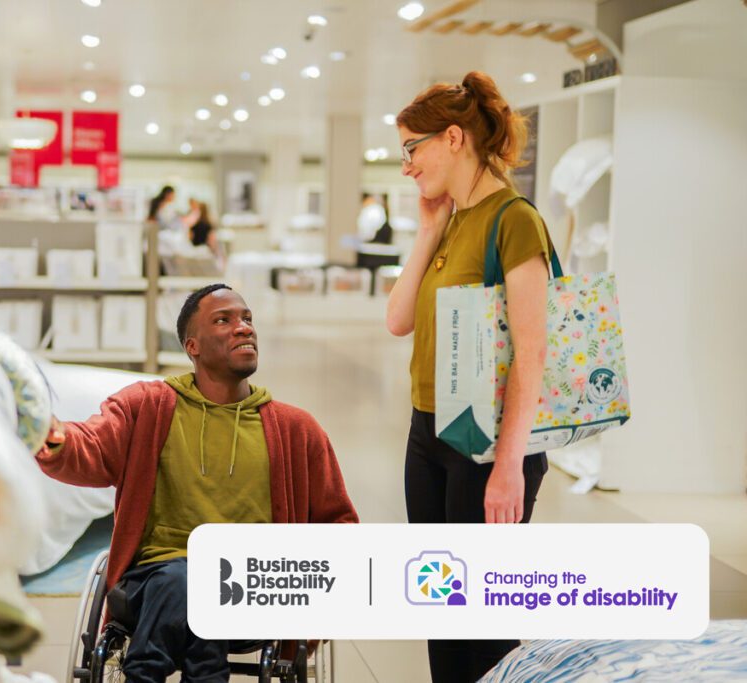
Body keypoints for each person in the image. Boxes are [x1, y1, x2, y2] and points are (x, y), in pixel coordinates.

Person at [35, 284, 358, 682]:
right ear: (192, 347)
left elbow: (338, 526)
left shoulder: (296, 430)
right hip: (153, 580)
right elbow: (92, 444)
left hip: (250, 586)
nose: (243, 328)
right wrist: (55, 437)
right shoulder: (147, 406)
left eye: (247, 319)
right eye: (224, 320)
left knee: (204, 578)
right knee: (185, 578)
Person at [385, 71, 554, 682]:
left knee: (482, 623)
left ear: (452, 138)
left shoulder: (514, 219)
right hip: (428, 433)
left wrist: (509, 465)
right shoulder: (451, 221)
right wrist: (428, 230)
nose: (406, 166)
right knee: (442, 609)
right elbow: (398, 320)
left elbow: (532, 353)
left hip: (487, 446)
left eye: (412, 148)